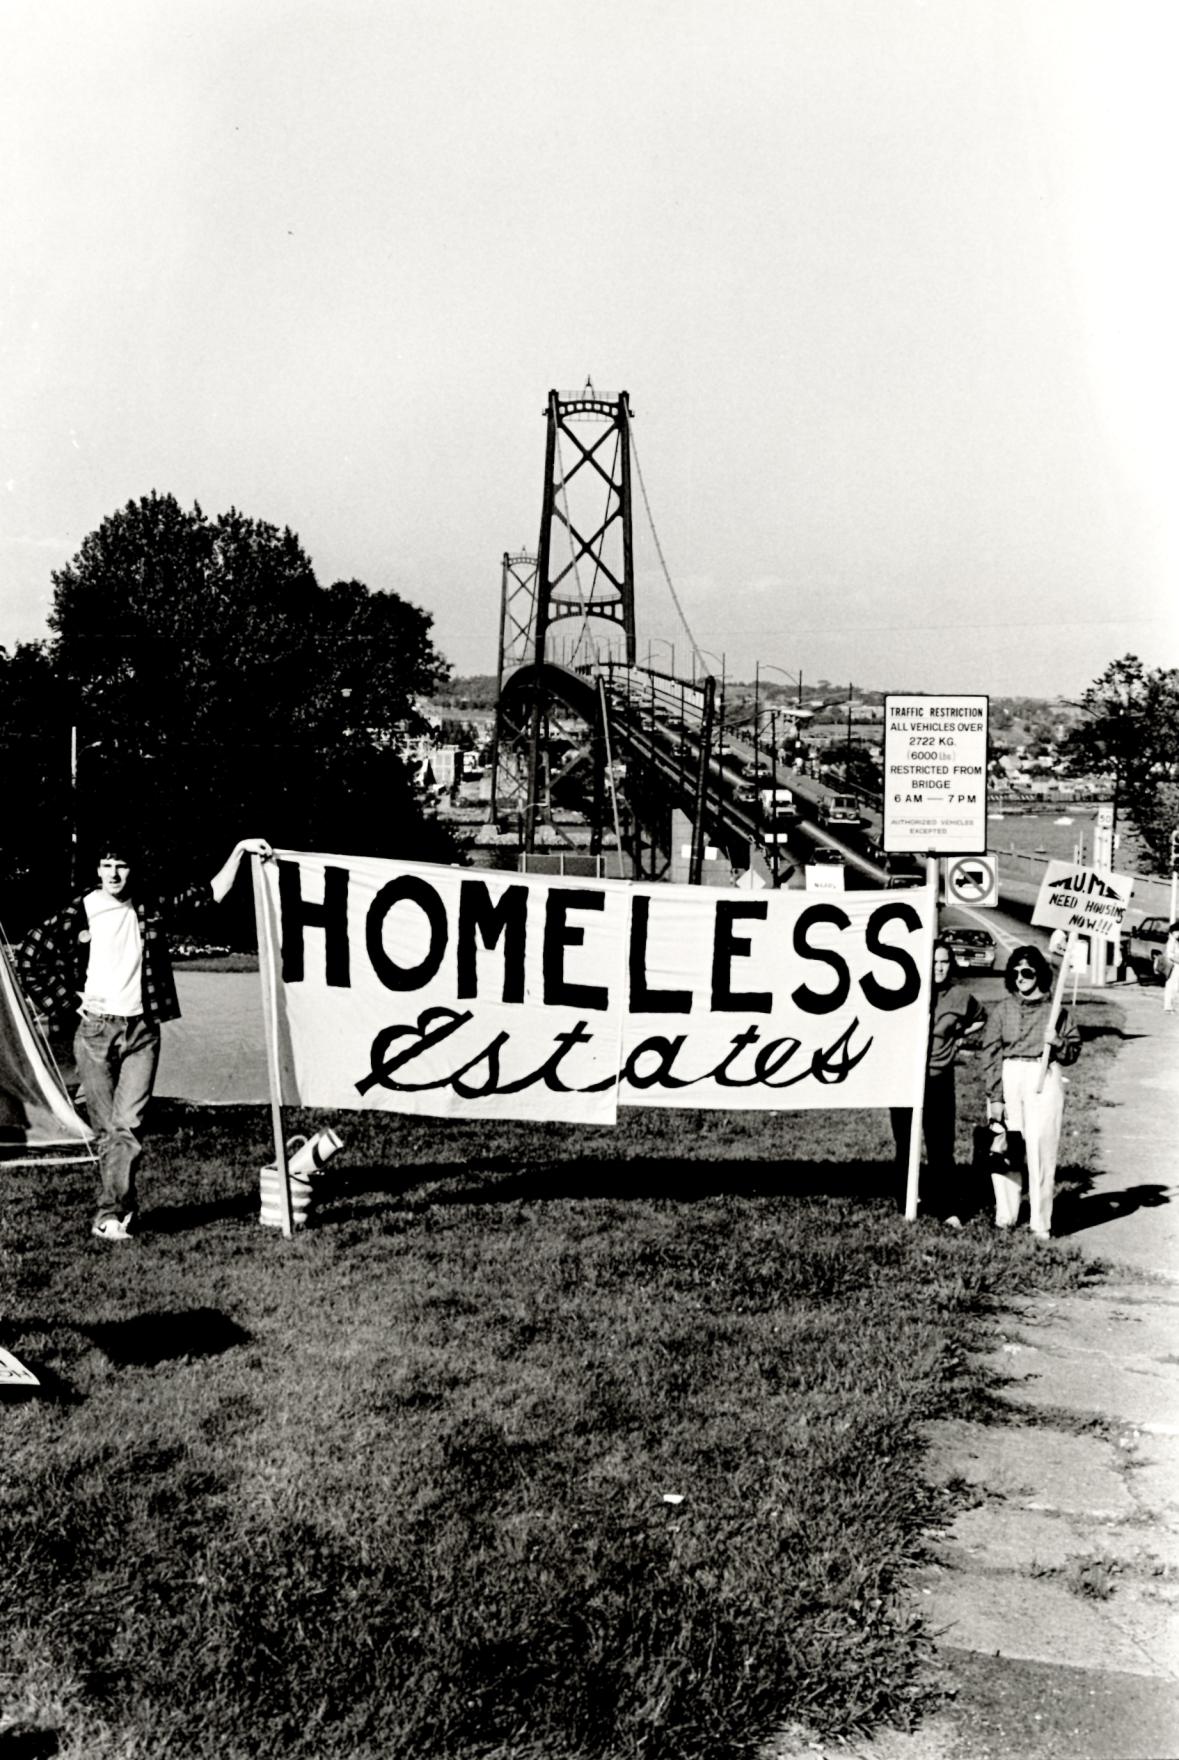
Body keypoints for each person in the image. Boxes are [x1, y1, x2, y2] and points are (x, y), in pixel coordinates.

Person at [17, 837, 272, 1240]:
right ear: (97, 870)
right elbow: (30, 955)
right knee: (109, 1130)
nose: (114, 873)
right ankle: (115, 1211)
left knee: (128, 1125)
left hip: (142, 1032)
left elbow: (209, 896)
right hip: (96, 1032)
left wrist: (239, 851)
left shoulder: (147, 906)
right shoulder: (81, 911)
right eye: (106, 865)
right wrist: (69, 1001)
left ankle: (112, 1213)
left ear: (132, 870)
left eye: (121, 865)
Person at [981, 943, 1080, 1238]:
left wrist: (1058, 1041)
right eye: (1016, 972)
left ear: (1039, 975)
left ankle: (1040, 1223)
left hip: (1042, 1076)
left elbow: (1073, 1052)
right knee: (1005, 1147)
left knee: (1040, 1147)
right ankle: (1006, 1215)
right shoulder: (1002, 1010)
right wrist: (995, 1097)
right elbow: (991, 1054)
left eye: (1027, 972)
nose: (1021, 977)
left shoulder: (1055, 1012)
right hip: (1010, 1076)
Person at [891, 937, 986, 1226]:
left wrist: (959, 1037)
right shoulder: (908, 991)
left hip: (938, 1079)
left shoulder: (959, 996)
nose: (939, 968)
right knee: (906, 1143)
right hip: (906, 1078)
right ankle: (907, 1200)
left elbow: (981, 1017)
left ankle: (947, 1208)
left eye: (944, 962)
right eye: (934, 962)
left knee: (941, 1146)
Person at [1162, 921, 1179, 1013]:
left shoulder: (1175, 941)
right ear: (1173, 932)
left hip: (1176, 966)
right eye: (1178, 931)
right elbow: (1170, 955)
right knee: (1171, 986)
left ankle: (1170, 1006)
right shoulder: (1171, 941)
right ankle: (1168, 1006)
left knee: (1174, 987)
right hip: (1173, 967)